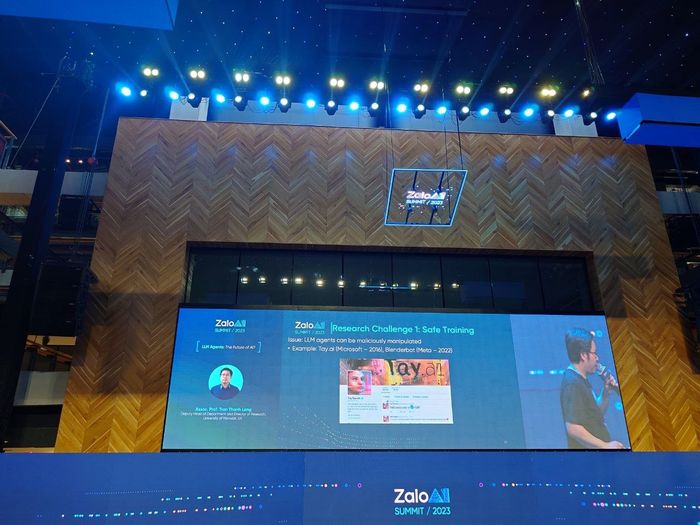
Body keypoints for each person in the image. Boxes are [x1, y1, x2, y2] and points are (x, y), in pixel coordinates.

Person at [560, 328, 624, 449]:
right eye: (594, 353)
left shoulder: (580, 380)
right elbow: (573, 428)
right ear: (583, 355)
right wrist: (605, 446)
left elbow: (594, 414)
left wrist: (606, 393)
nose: (597, 358)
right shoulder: (572, 384)